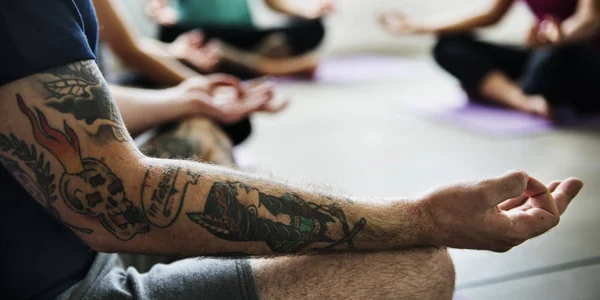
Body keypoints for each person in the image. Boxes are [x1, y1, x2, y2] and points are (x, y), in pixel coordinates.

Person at [0, 1, 585, 300]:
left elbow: (59, 103)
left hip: (73, 241)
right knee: (414, 266)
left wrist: (187, 96)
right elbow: (120, 206)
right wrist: (420, 217)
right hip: (69, 283)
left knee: (200, 134)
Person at [95, 0, 288, 146]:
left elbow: (131, 46)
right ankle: (268, 66)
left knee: (230, 118)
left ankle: (261, 64)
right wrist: (192, 93)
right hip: (96, 98)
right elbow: (130, 53)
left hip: (230, 34)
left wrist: (174, 52)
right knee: (227, 121)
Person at [379, 0, 600, 120]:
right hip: (542, 51)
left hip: (581, 55)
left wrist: (558, 36)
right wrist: (420, 26)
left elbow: (588, 19)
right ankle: (523, 100)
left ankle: (500, 90)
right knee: (449, 46)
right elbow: (490, 15)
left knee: (546, 70)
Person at [146, 0, 332, 77]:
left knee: (313, 27)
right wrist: (160, 11)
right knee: (170, 33)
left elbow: (273, 3)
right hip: (202, 35)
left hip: (243, 34)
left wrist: (308, 12)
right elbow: (157, 4)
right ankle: (268, 66)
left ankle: (234, 61)